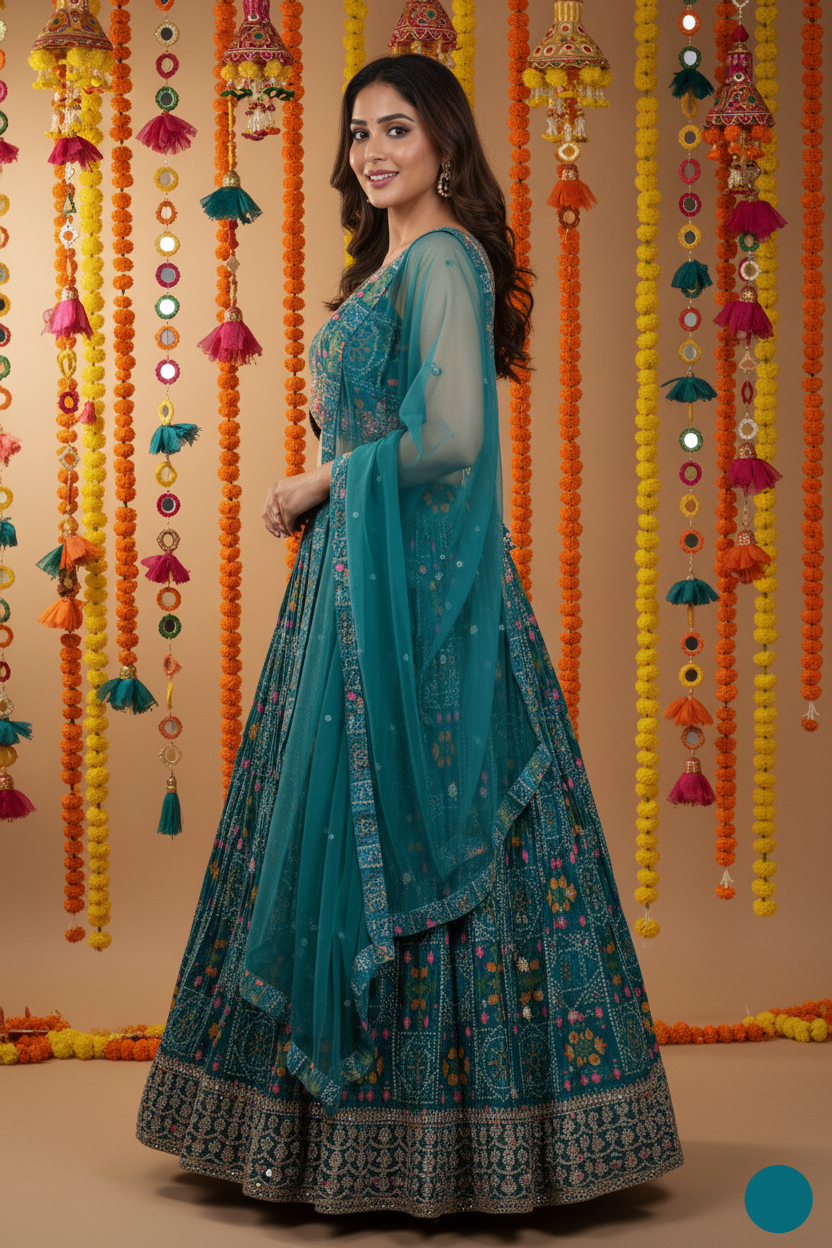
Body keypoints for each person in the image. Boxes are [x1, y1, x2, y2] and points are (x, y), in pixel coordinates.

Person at [137, 53, 683, 1215]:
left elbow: (450, 441)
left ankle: (462, 1145)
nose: (372, 151)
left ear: (443, 141)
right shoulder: (394, 264)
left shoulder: (442, 259)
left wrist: (323, 480)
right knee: (335, 825)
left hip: (418, 601)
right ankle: (319, 1137)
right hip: (354, 596)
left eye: (396, 129)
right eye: (357, 134)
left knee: (440, 821)